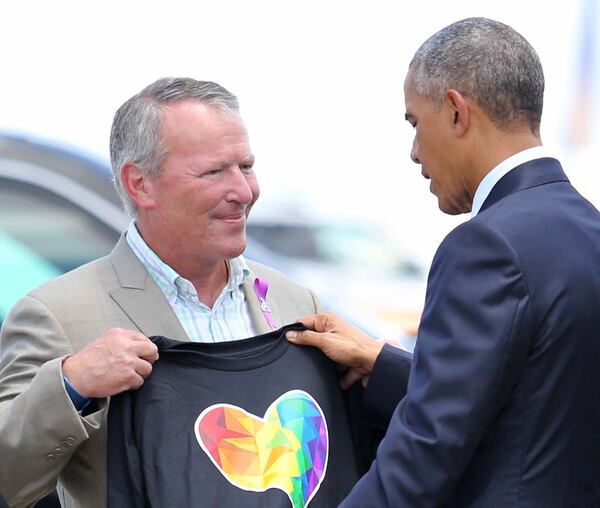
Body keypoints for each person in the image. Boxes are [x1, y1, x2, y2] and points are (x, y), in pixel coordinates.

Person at [286, 17, 600, 507]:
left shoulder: (485, 246)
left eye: (415, 123)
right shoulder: (588, 230)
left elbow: (425, 451)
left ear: (456, 112)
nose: (414, 153)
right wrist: (383, 363)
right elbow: (537, 400)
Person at [0, 78, 321, 508]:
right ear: (140, 184)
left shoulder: (297, 303)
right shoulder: (55, 314)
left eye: (245, 166)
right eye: (214, 171)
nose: (243, 192)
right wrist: (71, 385)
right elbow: (7, 479)